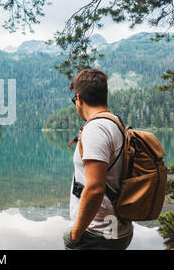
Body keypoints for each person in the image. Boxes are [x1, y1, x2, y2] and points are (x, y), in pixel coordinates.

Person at [63, 68, 133, 250]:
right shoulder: (116, 123)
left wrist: (76, 233)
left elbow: (94, 188)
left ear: (78, 98)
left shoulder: (96, 129)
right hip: (116, 229)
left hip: (96, 234)